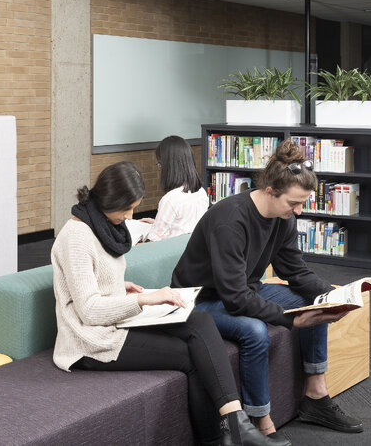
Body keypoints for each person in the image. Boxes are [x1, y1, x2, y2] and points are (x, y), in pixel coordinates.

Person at [51, 161, 272, 446]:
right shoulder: (77, 237)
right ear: (108, 200)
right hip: (90, 342)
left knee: (199, 320)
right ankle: (217, 439)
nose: (131, 215)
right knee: (192, 356)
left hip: (116, 322)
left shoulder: (102, 226)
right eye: (127, 208)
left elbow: (94, 283)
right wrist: (144, 299)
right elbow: (89, 310)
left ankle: (236, 423)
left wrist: (120, 288)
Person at [172, 139, 364, 443]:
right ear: (270, 191)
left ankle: (315, 396)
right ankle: (260, 422)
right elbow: (235, 298)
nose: (299, 211)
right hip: (198, 301)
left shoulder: (281, 216)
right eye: (294, 203)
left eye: (303, 203)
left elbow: (294, 270)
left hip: (242, 290)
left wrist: (332, 296)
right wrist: (289, 319)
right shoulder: (230, 222)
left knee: (312, 302)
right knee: (255, 331)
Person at [138, 135, 210, 241]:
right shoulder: (201, 192)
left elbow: (153, 240)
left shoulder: (170, 200)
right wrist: (156, 222)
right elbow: (184, 227)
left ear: (168, 167)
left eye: (160, 165)